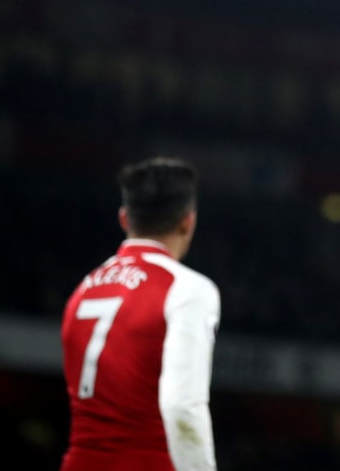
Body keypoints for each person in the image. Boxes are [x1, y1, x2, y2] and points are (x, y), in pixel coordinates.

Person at [60, 156, 220, 471]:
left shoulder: (84, 289)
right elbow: (182, 407)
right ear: (188, 221)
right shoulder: (188, 289)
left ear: (124, 218)